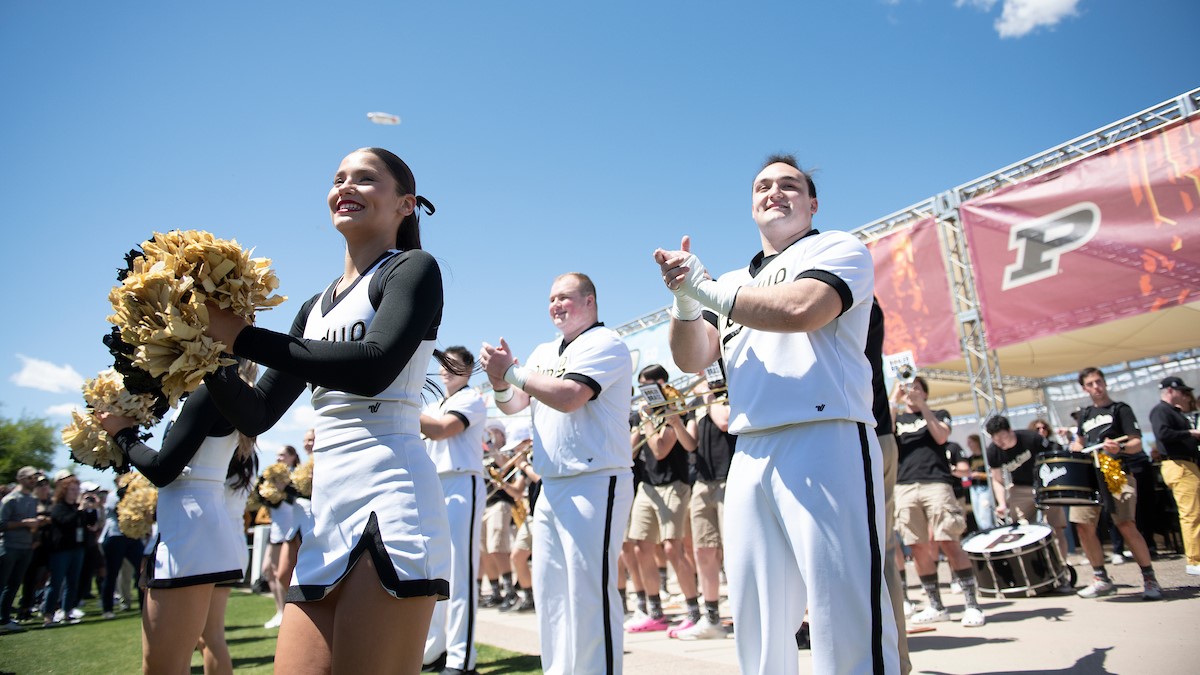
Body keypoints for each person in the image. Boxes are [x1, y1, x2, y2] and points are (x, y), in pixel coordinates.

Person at [201, 147, 452, 673]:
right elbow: (259, 412)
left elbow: (374, 366)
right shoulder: (312, 307)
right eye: (339, 178)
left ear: (406, 205)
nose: (347, 187)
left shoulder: (413, 269)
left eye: (366, 179)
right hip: (327, 513)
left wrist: (243, 336)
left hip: (392, 499)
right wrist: (203, 353)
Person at [653, 155, 898, 674]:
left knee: (842, 608)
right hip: (752, 448)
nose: (774, 192)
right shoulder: (736, 281)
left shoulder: (838, 247)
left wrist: (705, 288)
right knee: (758, 614)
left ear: (812, 203)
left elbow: (802, 308)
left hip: (826, 435)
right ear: (751, 205)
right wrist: (684, 301)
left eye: (790, 185)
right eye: (763, 186)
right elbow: (692, 358)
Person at [480, 271, 634, 675]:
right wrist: (499, 381)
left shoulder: (606, 342)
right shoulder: (543, 352)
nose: (555, 305)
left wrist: (511, 372)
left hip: (596, 479)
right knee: (552, 596)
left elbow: (570, 397)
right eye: (551, 299)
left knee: (588, 595)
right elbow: (512, 406)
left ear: (590, 301)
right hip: (551, 484)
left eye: (565, 297)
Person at [98, 365, 258, 674]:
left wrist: (122, 433)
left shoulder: (210, 393)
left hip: (190, 539)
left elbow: (162, 469)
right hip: (194, 534)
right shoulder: (221, 397)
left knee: (163, 666)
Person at [892, 377, 985, 628]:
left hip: (937, 483)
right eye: (909, 388)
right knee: (917, 546)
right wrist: (894, 398)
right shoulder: (898, 419)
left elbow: (941, 437)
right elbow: (885, 435)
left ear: (925, 392)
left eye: (917, 388)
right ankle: (936, 605)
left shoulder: (939, 414)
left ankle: (972, 604)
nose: (912, 392)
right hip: (904, 486)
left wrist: (922, 406)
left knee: (948, 540)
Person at [419, 345, 487, 675]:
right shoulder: (435, 402)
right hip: (436, 485)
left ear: (469, 370)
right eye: (444, 365)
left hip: (463, 483)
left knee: (460, 574)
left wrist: (397, 404)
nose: (445, 370)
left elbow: (443, 430)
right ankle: (435, 650)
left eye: (453, 365)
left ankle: (462, 658)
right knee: (435, 572)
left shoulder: (471, 398)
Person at [1068, 367, 1161, 600]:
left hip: (1117, 472)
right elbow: (1079, 443)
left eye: (1099, 382)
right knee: (1082, 525)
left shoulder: (1120, 410)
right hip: (1089, 477)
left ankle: (1149, 577)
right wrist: (1076, 448)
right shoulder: (1085, 415)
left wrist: (1119, 448)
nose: (1096, 387)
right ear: (1084, 388)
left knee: (1126, 524)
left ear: (1105, 383)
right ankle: (1100, 577)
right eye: (1090, 384)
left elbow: (1137, 443)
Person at [625, 364, 701, 635]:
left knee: (672, 548)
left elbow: (659, 449)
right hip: (648, 486)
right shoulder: (643, 415)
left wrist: (647, 420)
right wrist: (640, 421)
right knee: (640, 548)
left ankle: (693, 608)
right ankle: (653, 610)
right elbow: (629, 453)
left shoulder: (675, 407)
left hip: (674, 484)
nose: (645, 392)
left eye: (648, 386)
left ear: (660, 383)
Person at [671, 373, 734, 641]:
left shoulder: (728, 387)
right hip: (703, 481)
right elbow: (691, 444)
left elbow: (724, 422)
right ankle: (711, 618)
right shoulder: (701, 396)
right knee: (704, 552)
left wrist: (708, 393)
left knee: (733, 553)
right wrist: (676, 422)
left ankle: (746, 616)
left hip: (729, 477)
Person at [983, 415, 1071, 583]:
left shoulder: (1031, 438)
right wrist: (1002, 503)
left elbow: (1054, 457)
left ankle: (1062, 569)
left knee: (1055, 528)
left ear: (1010, 431)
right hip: (1020, 487)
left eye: (1002, 437)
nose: (1000, 442)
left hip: (1045, 484)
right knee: (1021, 529)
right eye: (995, 439)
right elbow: (997, 479)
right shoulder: (993, 451)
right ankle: (1033, 573)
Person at [1149, 375, 1200, 575]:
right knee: (1191, 515)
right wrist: (1191, 434)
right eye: (1182, 391)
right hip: (1178, 465)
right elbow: (1163, 434)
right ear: (1170, 391)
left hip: (1185, 464)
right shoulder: (1161, 410)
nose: (1186, 395)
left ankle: (1196, 558)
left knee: (1194, 513)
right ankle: (1195, 561)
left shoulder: (1172, 411)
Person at [42, 474, 100, 626]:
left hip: (78, 549)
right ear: (64, 491)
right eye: (72, 490)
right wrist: (81, 510)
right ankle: (48, 614)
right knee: (56, 583)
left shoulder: (77, 507)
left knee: (72, 583)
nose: (75, 492)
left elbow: (90, 523)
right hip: (61, 550)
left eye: (76, 489)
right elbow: (66, 521)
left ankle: (67, 612)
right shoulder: (59, 507)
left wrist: (91, 510)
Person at [261, 445, 302, 629]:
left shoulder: (296, 475)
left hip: (289, 527)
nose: (278, 458)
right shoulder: (272, 475)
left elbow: (300, 497)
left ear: (293, 457)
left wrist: (284, 489)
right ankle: (280, 610)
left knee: (281, 573)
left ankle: (285, 611)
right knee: (268, 570)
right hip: (275, 526)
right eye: (277, 455)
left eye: (282, 454)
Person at [0, 467, 45, 632]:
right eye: (30, 478)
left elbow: (32, 524)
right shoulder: (10, 499)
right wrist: (24, 523)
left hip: (26, 547)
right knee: (3, 584)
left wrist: (35, 529)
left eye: (35, 478)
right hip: (9, 547)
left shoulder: (33, 500)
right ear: (20, 479)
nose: (34, 481)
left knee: (14, 585)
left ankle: (4, 619)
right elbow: (1, 524)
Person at [963, 434, 995, 531]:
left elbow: (993, 474)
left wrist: (979, 475)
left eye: (971, 442)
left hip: (985, 488)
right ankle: (983, 532)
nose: (969, 445)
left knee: (984, 513)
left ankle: (989, 532)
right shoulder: (970, 459)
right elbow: (966, 479)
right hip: (974, 488)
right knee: (978, 514)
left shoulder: (986, 456)